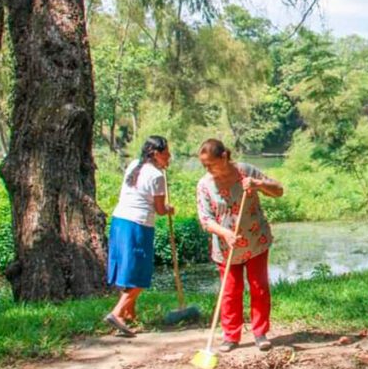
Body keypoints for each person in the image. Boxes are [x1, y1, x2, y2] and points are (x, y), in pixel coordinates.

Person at [195, 139, 284, 351]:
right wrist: (225, 233)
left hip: (255, 240)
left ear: (224, 157)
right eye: (204, 165)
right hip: (227, 247)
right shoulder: (204, 185)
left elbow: (279, 190)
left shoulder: (246, 171)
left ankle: (260, 333)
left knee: (259, 287)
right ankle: (231, 336)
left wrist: (259, 184)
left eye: (211, 164)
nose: (207, 169)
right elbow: (205, 219)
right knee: (230, 291)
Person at [104, 136, 173, 337]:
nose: (169, 156)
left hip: (119, 221)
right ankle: (117, 313)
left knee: (127, 269)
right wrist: (169, 209)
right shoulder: (157, 176)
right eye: (166, 153)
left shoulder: (135, 164)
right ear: (155, 153)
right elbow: (160, 210)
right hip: (137, 225)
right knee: (140, 273)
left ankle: (129, 315)